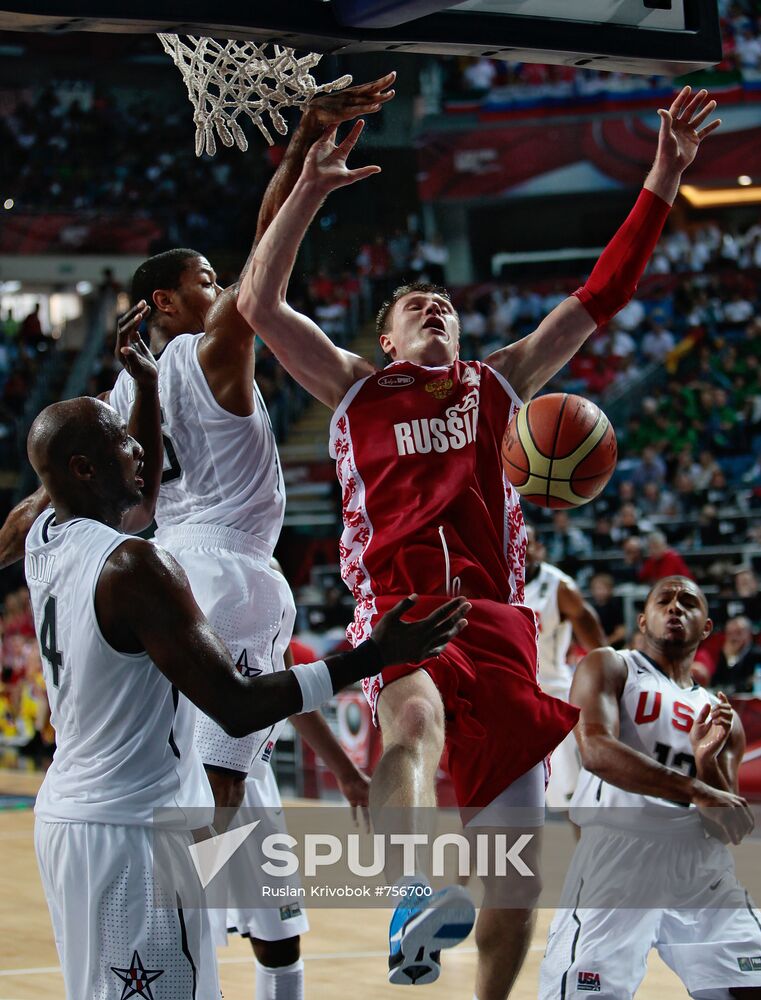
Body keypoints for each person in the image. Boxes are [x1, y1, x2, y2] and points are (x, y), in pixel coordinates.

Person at [237, 86, 722, 996]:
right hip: (404, 613)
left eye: (443, 305)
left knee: (516, 884)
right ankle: (412, 887)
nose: (433, 307)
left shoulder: (500, 383)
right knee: (409, 724)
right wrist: (305, 186)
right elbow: (259, 303)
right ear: (381, 340)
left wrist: (661, 175)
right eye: (413, 306)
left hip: (497, 624)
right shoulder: (352, 390)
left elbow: (598, 297)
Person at [0, 75, 398, 1000]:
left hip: (172, 565)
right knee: (222, 791)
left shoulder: (100, 414)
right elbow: (263, 269)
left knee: (217, 788)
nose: (219, 289)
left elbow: (44, 507)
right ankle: (198, 935)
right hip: (229, 567)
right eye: (201, 284)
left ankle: (223, 935)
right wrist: (301, 147)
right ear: (165, 306)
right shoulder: (201, 349)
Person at [25, 393, 468, 999]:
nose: (139, 449)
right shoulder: (137, 567)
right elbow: (238, 704)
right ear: (82, 469)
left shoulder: (43, 539)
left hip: (68, 820)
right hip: (134, 834)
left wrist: (145, 388)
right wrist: (371, 657)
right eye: (120, 441)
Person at [539, 576, 760, 999]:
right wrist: (695, 789)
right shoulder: (610, 666)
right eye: (665, 600)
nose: (676, 607)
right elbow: (597, 751)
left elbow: (725, 827)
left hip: (701, 867)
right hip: (621, 856)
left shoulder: (720, 716)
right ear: (643, 620)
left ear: (707, 628)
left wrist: (706, 763)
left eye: (689, 603)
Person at [523, 526, 606, 809]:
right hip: (511, 694)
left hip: (551, 692)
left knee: (574, 796)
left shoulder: (560, 588)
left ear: (540, 548)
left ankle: (587, 853)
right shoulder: (497, 581)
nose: (521, 550)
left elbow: (598, 646)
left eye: (528, 543)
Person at [710, 615, 761, 694]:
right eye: (730, 634)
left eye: (738, 633)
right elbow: (717, 684)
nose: (734, 638)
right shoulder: (725, 654)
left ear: (749, 633)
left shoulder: (757, 655)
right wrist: (730, 659)